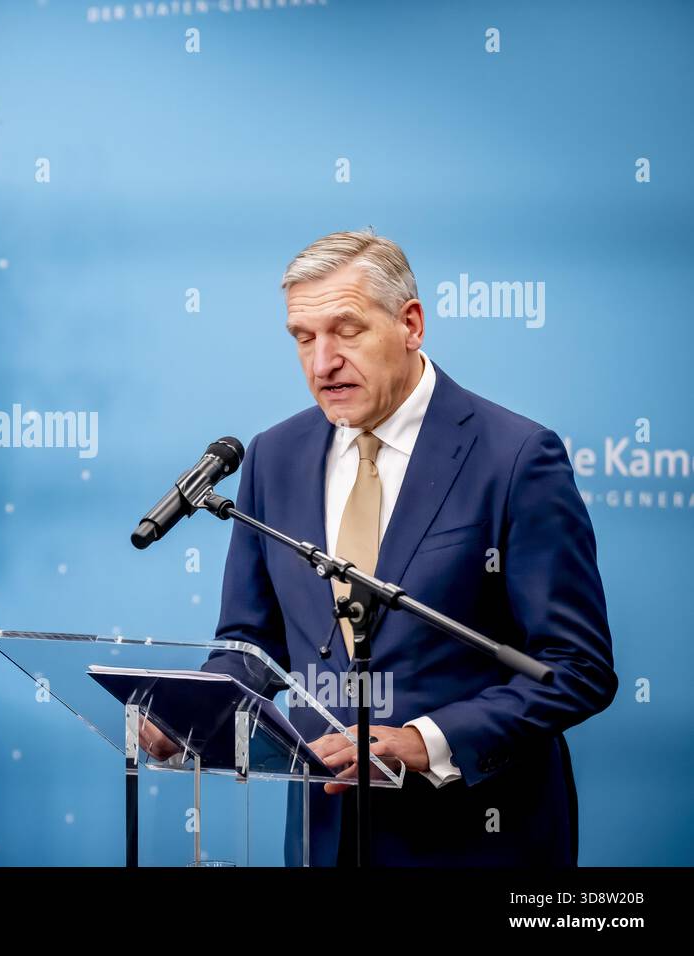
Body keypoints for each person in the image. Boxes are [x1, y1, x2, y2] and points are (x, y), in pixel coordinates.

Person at [141, 230, 617, 866]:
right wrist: (192, 708)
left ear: (411, 324)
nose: (322, 362)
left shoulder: (515, 458)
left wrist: (426, 740)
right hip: (324, 834)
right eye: (304, 338)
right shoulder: (272, 457)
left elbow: (575, 668)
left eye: (347, 330)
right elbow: (251, 643)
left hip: (473, 840)